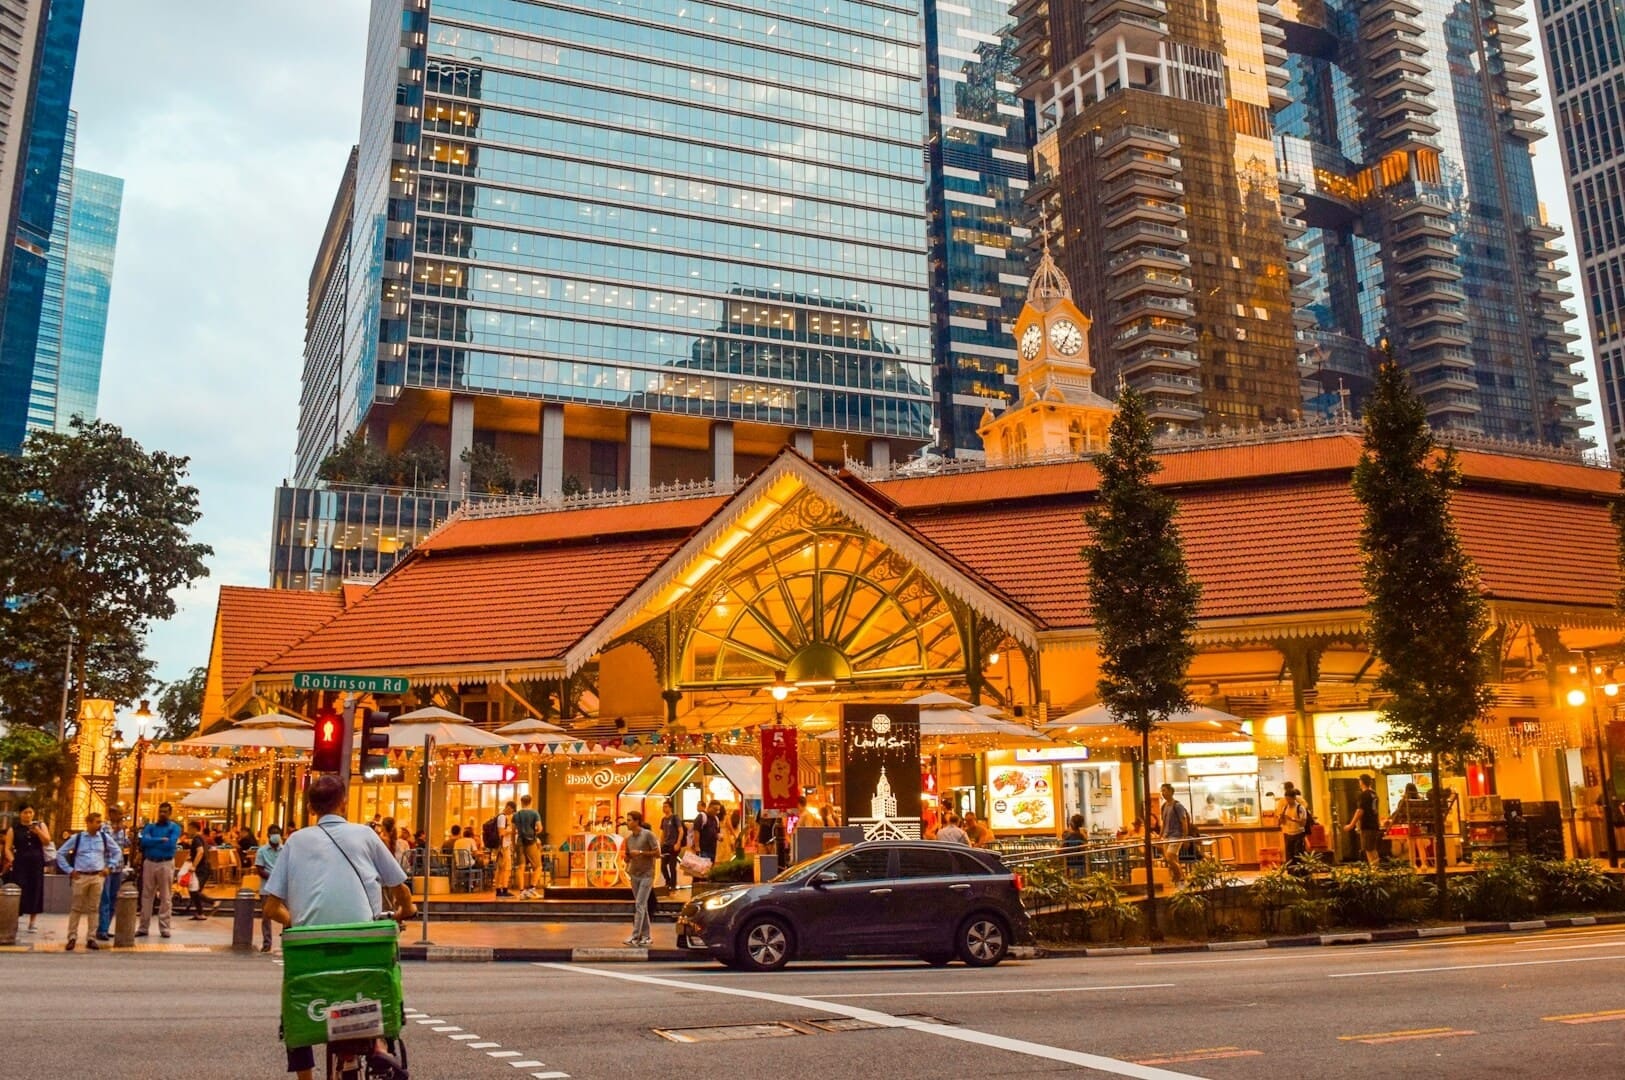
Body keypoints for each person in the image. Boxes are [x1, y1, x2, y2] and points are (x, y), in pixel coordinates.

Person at [263, 774, 413, 1080]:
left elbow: (269, 907)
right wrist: (404, 911)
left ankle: (305, 1076)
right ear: (344, 802)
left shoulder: (295, 841)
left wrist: (296, 921)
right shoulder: (366, 835)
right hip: (364, 941)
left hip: (308, 948)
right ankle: (380, 1045)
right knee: (377, 975)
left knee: (294, 1004)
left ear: (310, 807)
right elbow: (401, 890)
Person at [56, 811, 122, 951]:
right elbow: (60, 853)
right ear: (89, 822)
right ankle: (72, 937)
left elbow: (117, 851)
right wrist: (69, 870)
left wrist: (109, 867)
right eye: (97, 822)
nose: (100, 825)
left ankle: (91, 937)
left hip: (97, 876)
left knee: (94, 908)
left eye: (100, 822)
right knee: (76, 908)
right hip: (80, 876)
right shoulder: (78, 838)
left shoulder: (104, 838)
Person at [136, 801, 182, 938]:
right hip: (150, 862)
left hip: (166, 863)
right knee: (146, 895)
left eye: (165, 812)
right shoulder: (150, 827)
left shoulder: (175, 827)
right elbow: (144, 841)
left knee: (166, 896)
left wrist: (153, 841)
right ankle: (143, 927)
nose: (162, 814)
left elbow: (170, 844)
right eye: (160, 811)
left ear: (170, 813)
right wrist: (161, 839)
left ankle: (165, 928)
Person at [1, 804, 50, 934]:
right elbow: (8, 847)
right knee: (19, 889)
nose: (28, 815)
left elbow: (47, 841)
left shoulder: (40, 825)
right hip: (20, 863)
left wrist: (38, 831)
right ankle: (15, 919)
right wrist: (12, 860)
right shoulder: (14, 829)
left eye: (30, 812)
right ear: (20, 814)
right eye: (25, 812)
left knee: (36, 889)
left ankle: (32, 921)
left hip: (36, 862)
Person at [621, 810, 660, 946]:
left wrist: (642, 852)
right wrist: (627, 858)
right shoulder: (629, 839)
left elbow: (657, 853)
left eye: (630, 820)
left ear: (637, 821)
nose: (627, 822)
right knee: (641, 905)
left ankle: (635, 936)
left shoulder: (648, 835)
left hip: (647, 874)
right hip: (634, 874)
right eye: (627, 819)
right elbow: (627, 856)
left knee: (639, 904)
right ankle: (646, 936)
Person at [95, 806, 130, 942]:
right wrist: (117, 831)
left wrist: (129, 837)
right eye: (119, 814)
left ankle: (105, 927)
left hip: (118, 867)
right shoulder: (104, 827)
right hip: (107, 866)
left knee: (113, 899)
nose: (121, 816)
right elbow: (107, 842)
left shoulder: (123, 828)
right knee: (105, 898)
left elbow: (124, 845)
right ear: (112, 814)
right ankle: (102, 929)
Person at [255, 825, 284, 952]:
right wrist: (274, 876)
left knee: (286, 916)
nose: (275, 835)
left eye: (277, 833)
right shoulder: (262, 851)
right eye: (273, 833)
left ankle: (285, 942)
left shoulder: (285, 850)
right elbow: (260, 870)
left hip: (283, 888)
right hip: (266, 888)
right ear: (268, 835)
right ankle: (267, 943)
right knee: (267, 916)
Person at [1157, 784, 1193, 883]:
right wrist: (1160, 836)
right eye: (1162, 791)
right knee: (1172, 859)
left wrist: (1184, 837)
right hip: (1166, 836)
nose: (1163, 793)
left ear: (1171, 791)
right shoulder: (1164, 806)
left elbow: (1184, 821)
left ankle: (1180, 876)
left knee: (1169, 857)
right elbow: (1163, 823)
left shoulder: (1178, 805)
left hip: (1176, 836)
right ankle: (1180, 878)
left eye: (1164, 790)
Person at [1346, 773, 1383, 866]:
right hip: (1374, 824)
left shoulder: (1364, 795)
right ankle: (1376, 868)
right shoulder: (1374, 794)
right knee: (1373, 848)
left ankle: (1374, 870)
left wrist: (1351, 824)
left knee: (1368, 849)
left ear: (1362, 782)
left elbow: (1360, 811)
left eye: (1359, 781)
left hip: (1367, 825)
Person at [184, 822, 217, 919]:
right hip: (204, 867)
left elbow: (200, 852)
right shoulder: (201, 838)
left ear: (194, 828)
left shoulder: (196, 838)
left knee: (194, 890)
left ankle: (212, 902)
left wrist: (194, 866)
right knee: (194, 890)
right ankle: (200, 913)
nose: (188, 831)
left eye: (189, 828)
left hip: (202, 868)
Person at [514, 794, 543, 898]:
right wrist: (534, 831)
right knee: (538, 866)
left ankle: (521, 891)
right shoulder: (534, 813)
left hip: (520, 841)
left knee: (520, 867)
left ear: (521, 802)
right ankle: (532, 888)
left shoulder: (516, 815)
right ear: (531, 802)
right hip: (531, 842)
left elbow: (514, 830)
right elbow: (539, 828)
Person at [1277, 787, 1309, 868]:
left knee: (1298, 854)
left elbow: (1303, 823)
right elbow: (1283, 822)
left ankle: (1299, 872)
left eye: (1289, 799)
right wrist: (1281, 818)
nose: (1288, 801)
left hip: (1298, 833)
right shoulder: (1285, 808)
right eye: (1286, 799)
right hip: (1288, 834)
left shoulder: (1300, 808)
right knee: (1289, 855)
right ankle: (1291, 872)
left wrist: (1292, 819)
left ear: (1294, 798)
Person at [659, 801, 681, 891]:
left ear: (670, 808)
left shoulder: (675, 818)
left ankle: (673, 884)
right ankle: (667, 881)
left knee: (672, 866)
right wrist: (661, 844)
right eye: (663, 807)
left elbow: (681, 831)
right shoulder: (663, 819)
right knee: (663, 866)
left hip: (673, 845)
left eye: (666, 806)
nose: (664, 808)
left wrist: (678, 843)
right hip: (665, 845)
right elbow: (663, 833)